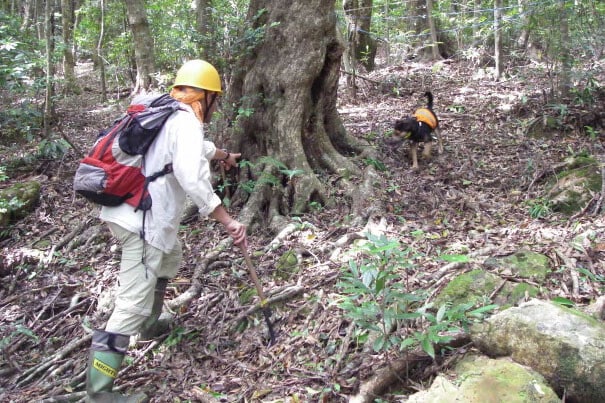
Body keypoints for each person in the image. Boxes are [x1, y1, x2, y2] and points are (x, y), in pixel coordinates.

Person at [85, 59, 247, 402]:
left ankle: (152, 323)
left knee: (171, 255)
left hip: (124, 209)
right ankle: (99, 393)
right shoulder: (185, 122)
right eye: (215, 97)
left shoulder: (165, 111)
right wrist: (227, 219)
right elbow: (192, 177)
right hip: (142, 221)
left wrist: (223, 154)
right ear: (205, 97)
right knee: (131, 304)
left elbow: (195, 150)